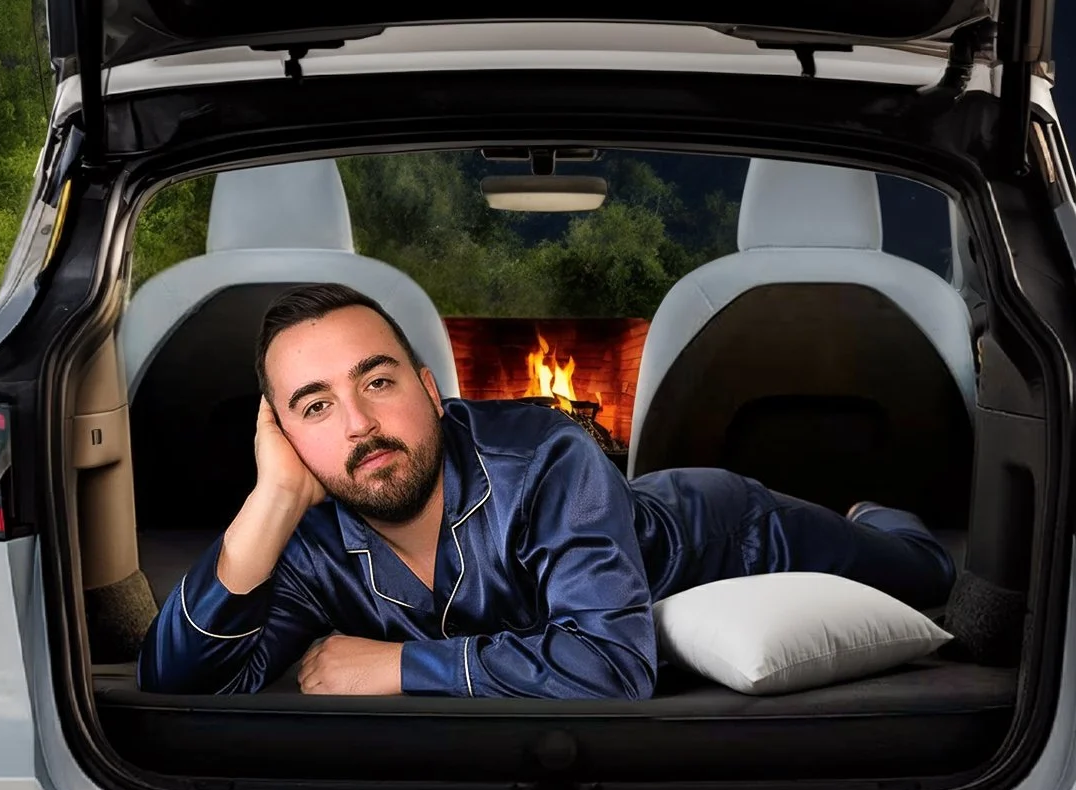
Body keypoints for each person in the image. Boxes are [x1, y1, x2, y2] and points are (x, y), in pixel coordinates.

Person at [138, 283, 957, 699]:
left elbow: (612, 665)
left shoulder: (545, 453)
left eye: (377, 381)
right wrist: (273, 501)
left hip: (731, 532)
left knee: (925, 572)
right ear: (283, 435)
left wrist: (400, 666)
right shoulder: (307, 536)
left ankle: (876, 515)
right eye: (315, 406)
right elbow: (178, 684)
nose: (359, 424)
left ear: (430, 390)